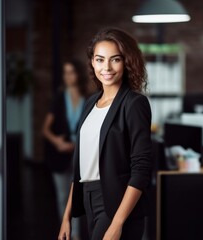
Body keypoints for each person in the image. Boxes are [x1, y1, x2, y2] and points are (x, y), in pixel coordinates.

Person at [58, 28, 152, 240]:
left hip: (119, 203)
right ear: (92, 63)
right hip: (89, 199)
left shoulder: (134, 103)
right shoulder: (91, 103)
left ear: (126, 62)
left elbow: (142, 168)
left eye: (115, 59)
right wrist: (67, 218)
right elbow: (80, 166)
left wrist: (118, 223)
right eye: (100, 60)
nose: (106, 67)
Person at [42, 59, 87, 240]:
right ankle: (67, 233)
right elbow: (45, 129)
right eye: (65, 73)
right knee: (62, 197)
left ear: (78, 74)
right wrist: (58, 142)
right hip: (59, 155)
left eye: (71, 72)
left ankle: (75, 235)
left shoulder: (88, 97)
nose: (68, 76)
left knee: (77, 197)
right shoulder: (59, 98)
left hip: (80, 156)